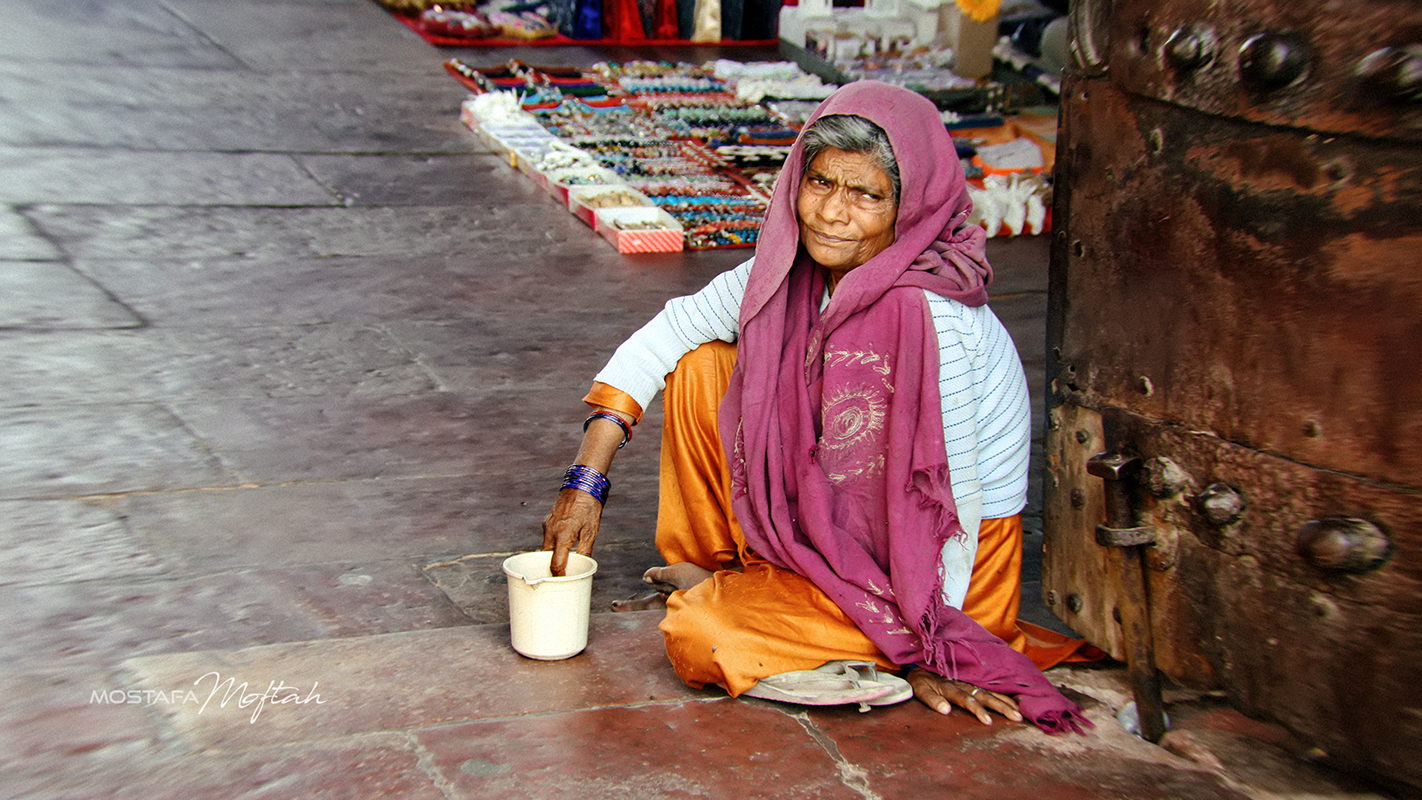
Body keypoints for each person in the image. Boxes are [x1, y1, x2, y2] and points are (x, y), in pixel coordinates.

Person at [542, 81, 1092, 733]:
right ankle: (742, 572)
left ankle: (843, 642)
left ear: (910, 209)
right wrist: (586, 482)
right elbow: (664, 335)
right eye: (823, 183)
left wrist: (930, 651)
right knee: (702, 365)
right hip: (833, 522)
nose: (833, 213)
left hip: (936, 569)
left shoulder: (934, 320)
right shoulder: (782, 273)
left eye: (867, 195)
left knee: (704, 636)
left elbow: (956, 505)